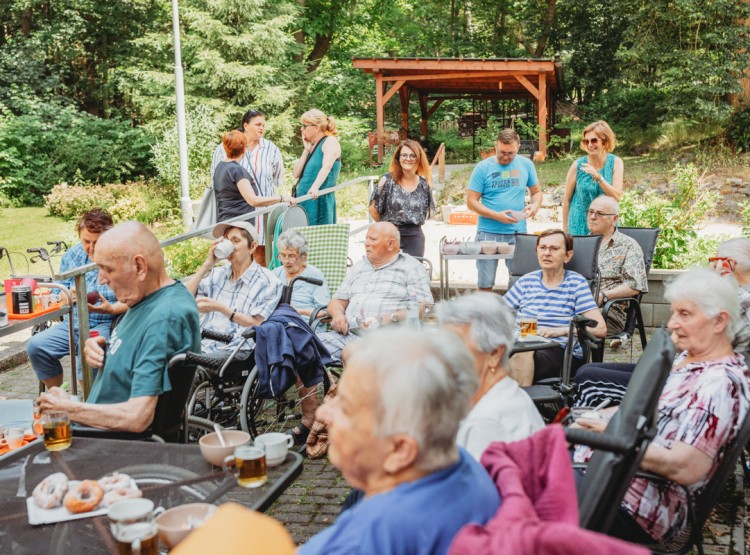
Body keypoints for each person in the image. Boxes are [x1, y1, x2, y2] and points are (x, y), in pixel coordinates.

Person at [573, 269, 749, 544]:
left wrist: (609, 435)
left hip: (634, 504)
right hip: (611, 479)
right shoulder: (692, 362)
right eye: (674, 313)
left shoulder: (717, 384)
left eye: (685, 314)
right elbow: (654, 416)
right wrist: (596, 416)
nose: (672, 324)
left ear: (719, 322)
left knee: (515, 490)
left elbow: (685, 467)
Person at [299, 327, 500, 554]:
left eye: (345, 407)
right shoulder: (463, 465)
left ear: (400, 450)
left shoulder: (363, 541)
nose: (324, 413)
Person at [37, 222, 201, 432]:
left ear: (139, 267)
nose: (101, 279)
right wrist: (107, 349)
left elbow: (137, 417)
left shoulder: (165, 318)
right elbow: (140, 349)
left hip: (111, 447)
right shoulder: (146, 298)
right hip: (96, 432)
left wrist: (68, 408)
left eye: (107, 269)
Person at [575, 237, 750, 408]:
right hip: (680, 372)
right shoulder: (733, 297)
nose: (710, 266)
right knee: (589, 370)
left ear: (727, 264)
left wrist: (718, 282)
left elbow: (685, 345)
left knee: (590, 377)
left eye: (713, 260)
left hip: (685, 383)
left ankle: (582, 429)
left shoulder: (736, 302)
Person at [437, 292, 545, 460]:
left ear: (494, 353)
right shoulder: (499, 395)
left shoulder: (487, 423)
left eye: (456, 344)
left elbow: (474, 485)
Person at [26, 209, 122, 389]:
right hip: (73, 322)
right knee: (36, 346)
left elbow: (135, 299)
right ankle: (58, 395)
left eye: (97, 241)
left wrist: (111, 308)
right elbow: (56, 291)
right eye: (86, 241)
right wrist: (64, 295)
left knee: (88, 360)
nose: (91, 248)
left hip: (105, 323)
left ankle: (91, 404)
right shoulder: (74, 254)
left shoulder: (122, 257)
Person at [503, 229, 607, 386]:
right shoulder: (526, 282)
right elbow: (496, 312)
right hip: (521, 341)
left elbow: (600, 329)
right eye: (543, 248)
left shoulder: (575, 284)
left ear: (568, 255)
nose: (547, 253)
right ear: (536, 251)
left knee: (521, 353)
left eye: (554, 248)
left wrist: (563, 330)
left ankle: (516, 407)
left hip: (558, 350)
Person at [317, 222, 432, 362]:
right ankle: (311, 384)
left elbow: (425, 307)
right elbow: (337, 301)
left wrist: (387, 319)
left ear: (391, 244)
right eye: (366, 239)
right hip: (347, 335)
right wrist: (337, 315)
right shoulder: (358, 268)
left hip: (389, 340)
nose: (366, 243)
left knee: (353, 351)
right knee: (302, 346)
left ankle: (347, 384)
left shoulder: (411, 267)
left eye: (372, 239)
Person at [185, 221, 283, 354]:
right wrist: (207, 265)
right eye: (226, 240)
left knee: (183, 369)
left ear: (252, 246)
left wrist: (220, 308)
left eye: (235, 240)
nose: (230, 245)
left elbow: (256, 324)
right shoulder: (217, 274)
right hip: (202, 343)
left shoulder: (268, 282)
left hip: (234, 349)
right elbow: (184, 298)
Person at [467, 128, 542, 292]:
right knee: (485, 283)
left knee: (520, 283)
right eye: (502, 152)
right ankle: (486, 317)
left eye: (511, 153)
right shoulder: (483, 168)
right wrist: (496, 216)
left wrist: (534, 206)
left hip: (518, 232)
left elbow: (536, 192)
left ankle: (515, 317)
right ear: (496, 146)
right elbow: (471, 202)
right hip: (488, 233)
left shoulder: (526, 165)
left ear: (518, 147)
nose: (506, 157)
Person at [210, 109, 284, 265]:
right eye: (257, 124)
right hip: (239, 216)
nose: (261, 128)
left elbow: (277, 179)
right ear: (245, 125)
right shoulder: (224, 149)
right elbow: (217, 180)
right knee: (238, 258)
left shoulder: (271, 149)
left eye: (263, 125)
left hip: (264, 215)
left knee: (263, 256)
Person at [586, 195, 648, 349]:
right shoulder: (580, 243)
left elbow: (634, 286)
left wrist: (604, 296)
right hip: (578, 304)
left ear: (614, 219)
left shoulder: (628, 246)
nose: (593, 217)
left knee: (569, 323)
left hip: (609, 311)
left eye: (600, 214)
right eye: (591, 212)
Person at [368, 139, 434, 257]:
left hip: (414, 238)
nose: (408, 158)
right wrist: (387, 228)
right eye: (404, 155)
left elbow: (427, 213)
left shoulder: (424, 184)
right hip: (389, 238)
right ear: (398, 158)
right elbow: (373, 209)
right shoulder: (387, 181)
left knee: (412, 273)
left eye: (412, 155)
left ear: (418, 159)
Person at [562, 120, 624, 236]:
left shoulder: (615, 163)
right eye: (586, 141)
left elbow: (617, 196)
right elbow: (566, 200)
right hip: (579, 222)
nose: (590, 145)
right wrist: (565, 230)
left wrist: (599, 178)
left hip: (606, 224)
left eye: (594, 140)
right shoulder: (578, 165)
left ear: (605, 141)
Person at [292, 108, 342, 226]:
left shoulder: (330, 141)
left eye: (305, 126)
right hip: (305, 201)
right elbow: (296, 173)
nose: (301, 129)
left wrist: (315, 188)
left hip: (318, 201)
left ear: (316, 128)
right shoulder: (313, 146)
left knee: (319, 241)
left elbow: (327, 166)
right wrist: (306, 150)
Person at [272, 229, 330, 317]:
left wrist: (300, 311)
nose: (286, 261)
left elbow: (326, 313)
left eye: (291, 256)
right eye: (283, 255)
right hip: (278, 321)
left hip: (303, 324)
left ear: (304, 256)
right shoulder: (275, 274)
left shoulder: (315, 276)